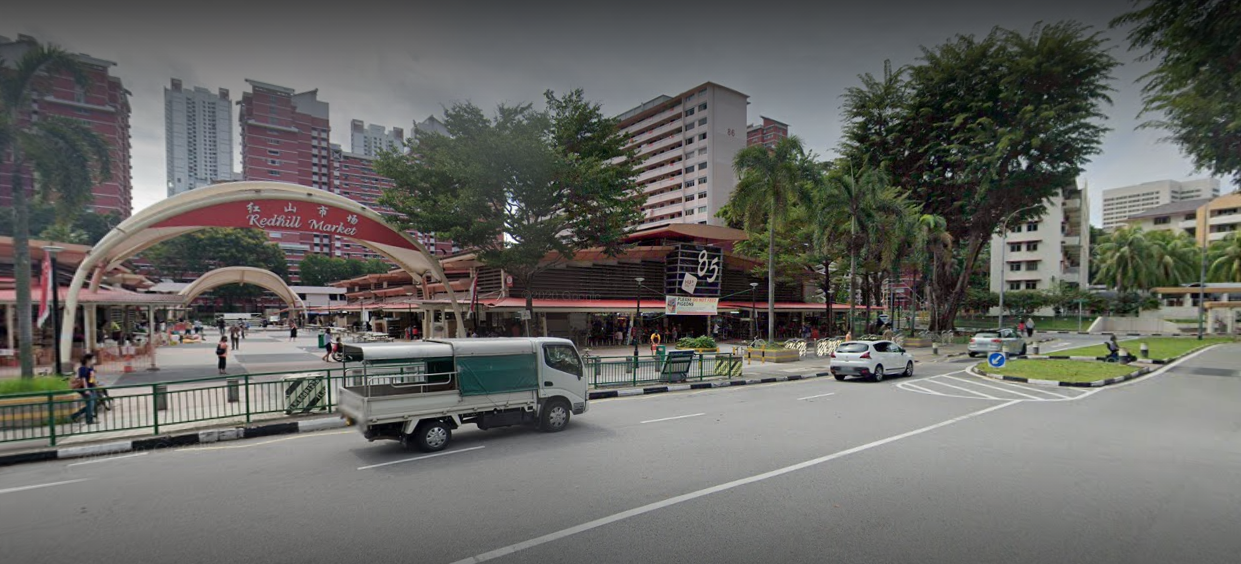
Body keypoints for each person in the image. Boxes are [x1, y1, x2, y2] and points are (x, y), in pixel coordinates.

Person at [71, 354, 99, 424]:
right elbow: (83, 379)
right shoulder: (82, 368)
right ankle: (89, 420)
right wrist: (86, 389)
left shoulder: (91, 368)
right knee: (90, 404)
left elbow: (92, 379)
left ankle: (74, 416)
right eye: (93, 359)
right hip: (85, 389)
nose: (94, 360)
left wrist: (96, 386)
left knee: (91, 405)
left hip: (91, 388)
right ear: (88, 360)